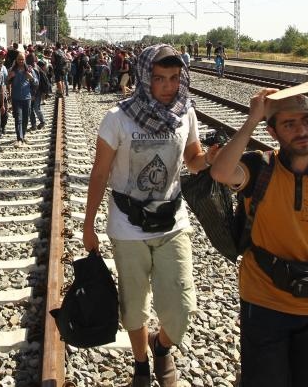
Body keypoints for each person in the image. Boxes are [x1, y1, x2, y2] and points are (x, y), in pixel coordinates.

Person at [208, 90, 308, 386]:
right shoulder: (260, 167)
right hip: (264, 299)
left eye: (307, 122)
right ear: (272, 131)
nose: (301, 131)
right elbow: (220, 172)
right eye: (289, 124)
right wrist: (252, 119)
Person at [83, 45, 211, 387]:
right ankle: (141, 364)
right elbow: (100, 173)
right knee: (134, 307)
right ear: (144, 78)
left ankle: (161, 344)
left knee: (182, 309)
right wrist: (89, 224)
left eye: (174, 78)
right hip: (128, 225)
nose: (168, 86)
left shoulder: (186, 113)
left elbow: (194, 158)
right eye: (159, 79)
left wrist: (211, 157)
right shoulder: (117, 118)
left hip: (173, 222)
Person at [7, 52, 36, 147]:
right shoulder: (12, 70)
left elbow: (36, 82)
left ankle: (23, 136)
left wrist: (31, 78)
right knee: (18, 118)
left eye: (22, 59)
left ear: (25, 60)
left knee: (25, 118)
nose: (21, 61)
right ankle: (19, 138)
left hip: (26, 98)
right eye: (19, 59)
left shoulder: (29, 69)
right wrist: (9, 77)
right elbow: (5, 81)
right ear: (16, 60)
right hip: (16, 98)